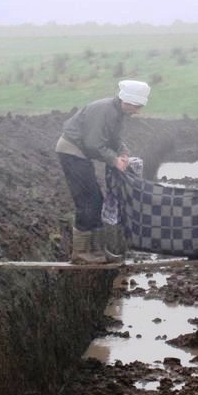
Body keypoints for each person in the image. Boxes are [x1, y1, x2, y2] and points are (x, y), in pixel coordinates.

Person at [56, 80, 151, 264]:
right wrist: (114, 160)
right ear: (128, 101)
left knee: (96, 200)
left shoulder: (116, 112)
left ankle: (98, 251)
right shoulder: (105, 110)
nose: (138, 111)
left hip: (81, 154)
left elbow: (114, 138)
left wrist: (122, 152)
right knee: (87, 201)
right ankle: (81, 253)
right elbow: (94, 144)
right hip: (72, 153)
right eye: (137, 107)